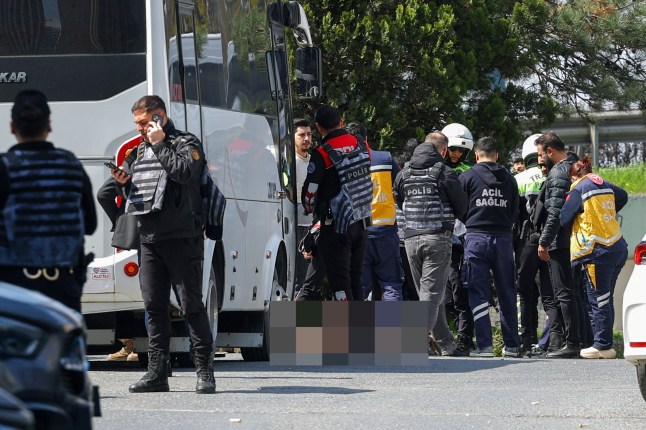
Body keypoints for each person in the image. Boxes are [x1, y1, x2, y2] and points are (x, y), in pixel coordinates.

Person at [112, 95, 215, 394]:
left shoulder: (186, 142)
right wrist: (122, 181)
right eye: (137, 124)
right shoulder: (139, 149)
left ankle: (204, 371)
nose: (140, 129)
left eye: (144, 122)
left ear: (159, 117)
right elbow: (137, 191)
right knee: (154, 307)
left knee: (191, 305)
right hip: (149, 238)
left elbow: (183, 173)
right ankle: (157, 373)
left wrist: (159, 145)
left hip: (182, 237)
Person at [0, 89, 97, 312]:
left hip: (14, 289)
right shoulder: (71, 164)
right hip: (63, 287)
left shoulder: (4, 166)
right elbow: (90, 225)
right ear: (49, 125)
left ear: (12, 127)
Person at [394, 132, 468, 356]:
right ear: (443, 150)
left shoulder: (404, 172)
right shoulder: (444, 172)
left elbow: (399, 198)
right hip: (437, 238)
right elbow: (462, 206)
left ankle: (446, 344)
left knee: (429, 294)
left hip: (410, 239)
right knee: (432, 294)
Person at [301, 104, 372, 301]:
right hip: (363, 221)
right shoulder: (361, 144)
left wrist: (309, 209)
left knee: (340, 286)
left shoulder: (322, 153)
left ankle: (346, 322)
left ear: (319, 127)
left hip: (337, 227)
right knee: (356, 280)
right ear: (341, 122)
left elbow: (310, 192)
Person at [560, 156, 628, 359]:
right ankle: (604, 343)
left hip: (596, 250)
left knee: (598, 299)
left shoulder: (578, 188)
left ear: (573, 175)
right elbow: (623, 196)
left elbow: (564, 218)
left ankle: (603, 345)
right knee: (605, 298)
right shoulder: (602, 183)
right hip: (616, 246)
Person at [458, 136, 520, 357]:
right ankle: (512, 346)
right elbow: (515, 210)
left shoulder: (467, 177)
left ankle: (484, 346)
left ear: (476, 155)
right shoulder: (510, 179)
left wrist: (471, 222)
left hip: (476, 237)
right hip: (503, 239)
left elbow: (459, 207)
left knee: (478, 292)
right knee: (507, 291)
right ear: (497, 155)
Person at [514, 134, 563, 355]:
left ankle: (526, 342)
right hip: (551, 240)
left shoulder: (519, 179)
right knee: (550, 295)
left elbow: (514, 214)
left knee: (525, 294)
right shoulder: (555, 176)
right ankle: (554, 342)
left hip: (526, 241)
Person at [535, 131, 581, 358]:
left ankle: (572, 343)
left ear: (550, 151)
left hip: (559, 242)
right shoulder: (573, 167)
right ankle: (575, 341)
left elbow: (555, 213)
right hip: (570, 240)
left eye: (540, 155)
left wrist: (544, 241)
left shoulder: (557, 173)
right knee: (569, 292)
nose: (539, 160)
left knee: (563, 293)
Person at [346, 121, 403, 301]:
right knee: (391, 284)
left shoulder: (343, 164)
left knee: (359, 287)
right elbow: (401, 187)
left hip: (358, 234)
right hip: (386, 232)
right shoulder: (385, 159)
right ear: (367, 138)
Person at [97, 170, 140, 362]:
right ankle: (143, 344)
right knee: (150, 288)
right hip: (153, 230)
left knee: (126, 288)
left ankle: (128, 344)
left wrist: (119, 220)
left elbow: (103, 194)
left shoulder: (131, 160)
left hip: (129, 234)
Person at [441, 123, 475, 355]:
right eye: (453, 149)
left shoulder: (469, 171)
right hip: (440, 236)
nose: (456, 154)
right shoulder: (437, 169)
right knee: (444, 296)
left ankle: (465, 339)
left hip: (462, 238)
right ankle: (446, 337)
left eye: (460, 151)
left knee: (460, 292)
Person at [396, 138, 421, 301]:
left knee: (397, 285)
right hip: (413, 236)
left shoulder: (397, 171)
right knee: (414, 287)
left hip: (394, 236)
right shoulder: (422, 173)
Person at [293, 118, 314, 296]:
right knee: (298, 276)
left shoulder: (314, 162)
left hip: (312, 224)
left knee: (309, 276)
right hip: (294, 224)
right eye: (301, 135)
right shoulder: (288, 162)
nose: (306, 138)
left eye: (309, 134)